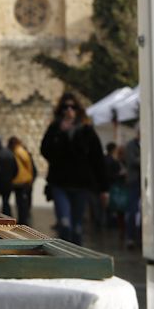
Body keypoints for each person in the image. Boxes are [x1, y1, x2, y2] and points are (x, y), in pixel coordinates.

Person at [40, 92, 108, 245]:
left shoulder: (86, 130)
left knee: (77, 228)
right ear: (61, 110)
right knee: (65, 225)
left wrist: (104, 188)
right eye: (65, 107)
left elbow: (97, 159)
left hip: (81, 184)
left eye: (72, 107)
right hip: (60, 183)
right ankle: (65, 260)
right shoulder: (55, 129)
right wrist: (60, 134)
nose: (69, 110)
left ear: (78, 110)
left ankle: (76, 262)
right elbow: (45, 151)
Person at [9, 136, 36, 226]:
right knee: (20, 201)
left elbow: (28, 164)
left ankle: (23, 219)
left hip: (21, 179)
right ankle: (22, 219)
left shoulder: (19, 150)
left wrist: (30, 177)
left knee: (21, 201)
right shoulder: (18, 150)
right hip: (21, 179)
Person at [124, 128, 142, 248]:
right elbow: (132, 161)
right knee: (133, 209)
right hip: (134, 181)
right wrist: (146, 158)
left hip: (145, 181)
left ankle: (140, 236)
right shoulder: (131, 145)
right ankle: (130, 237)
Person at [0, 137, 17, 217]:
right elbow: (16, 169)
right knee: (5, 201)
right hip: (7, 183)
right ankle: (6, 217)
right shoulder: (10, 154)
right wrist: (11, 178)